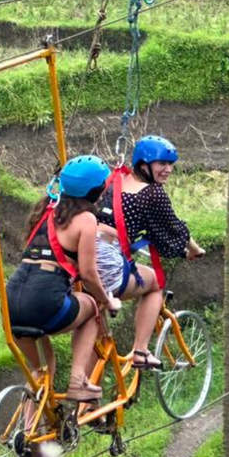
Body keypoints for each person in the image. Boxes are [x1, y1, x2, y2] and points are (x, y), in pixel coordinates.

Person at [7, 155, 123, 400]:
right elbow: (89, 274)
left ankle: (29, 431)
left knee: (41, 373)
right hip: (44, 299)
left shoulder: (46, 210)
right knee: (92, 308)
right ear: (97, 190)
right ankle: (78, 381)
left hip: (12, 300)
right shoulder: (86, 219)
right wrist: (107, 300)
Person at [96, 134, 205, 369]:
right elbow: (173, 227)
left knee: (94, 328)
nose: (168, 169)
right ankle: (141, 351)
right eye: (162, 164)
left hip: (84, 257)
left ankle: (82, 394)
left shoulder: (116, 179)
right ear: (144, 165)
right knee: (155, 283)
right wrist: (193, 250)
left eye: (170, 164)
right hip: (107, 260)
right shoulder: (151, 193)